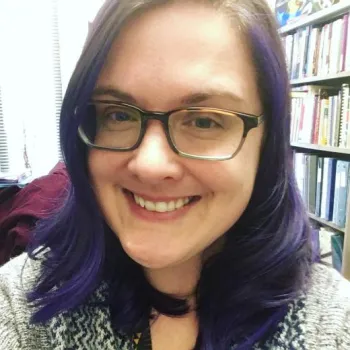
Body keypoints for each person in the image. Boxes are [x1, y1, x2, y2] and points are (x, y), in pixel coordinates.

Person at [1, 0, 349, 349]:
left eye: (203, 121)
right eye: (118, 115)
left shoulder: (331, 328)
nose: (150, 164)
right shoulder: (22, 307)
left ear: (267, 142)